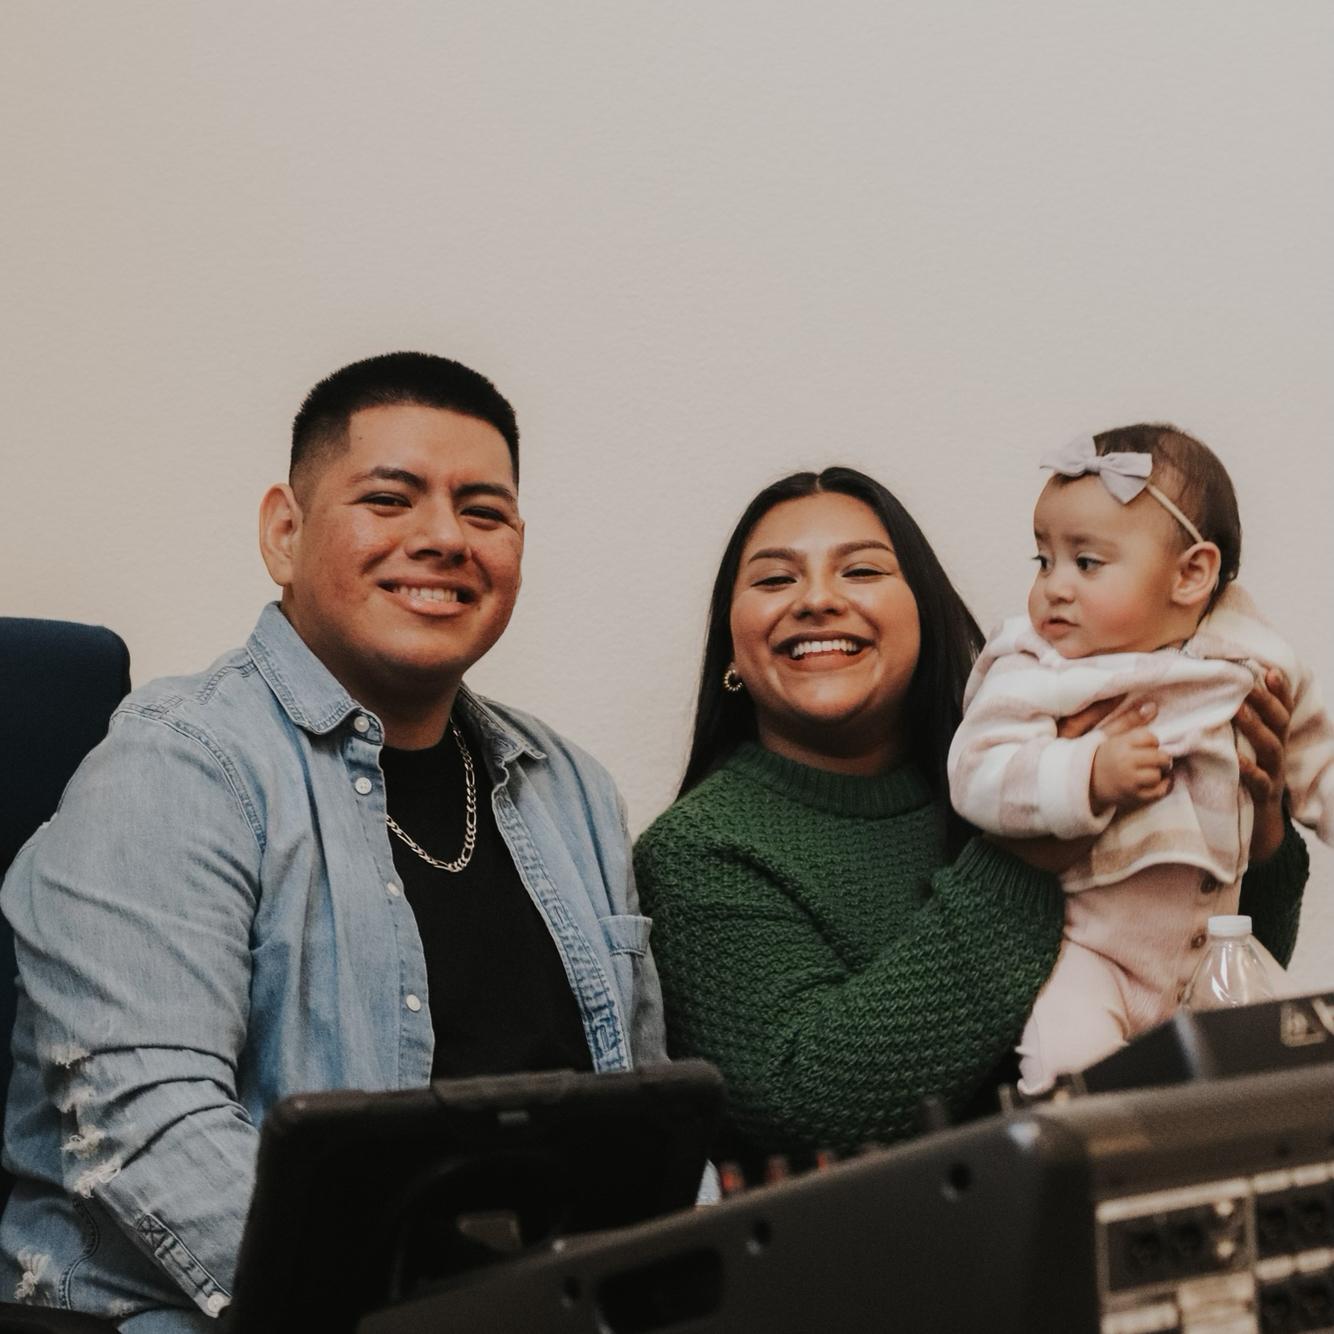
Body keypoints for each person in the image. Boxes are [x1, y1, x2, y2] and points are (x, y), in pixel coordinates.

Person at [0, 352, 664, 1330]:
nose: (443, 536)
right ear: (284, 530)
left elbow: (643, 1123)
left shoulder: (570, 786)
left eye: (483, 511)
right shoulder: (176, 766)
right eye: (390, 498)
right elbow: (148, 1132)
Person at [633, 465, 1308, 1168]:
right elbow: (807, 1107)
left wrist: (1260, 840)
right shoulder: (699, 850)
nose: (817, 600)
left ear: (924, 609)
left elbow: (1206, 979)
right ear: (731, 647)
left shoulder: (1056, 742)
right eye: (775, 581)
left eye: (861, 571)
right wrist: (1018, 853)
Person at [948, 425, 1332, 1090]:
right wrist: (1086, 775)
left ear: (1191, 575)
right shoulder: (1034, 663)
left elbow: (1313, 752)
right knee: (1075, 1074)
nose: (1054, 587)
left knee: (1294, 1067)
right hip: (1093, 949)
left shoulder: (1247, 651)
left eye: (1086, 562)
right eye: (1044, 561)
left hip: (1220, 946)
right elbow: (978, 774)